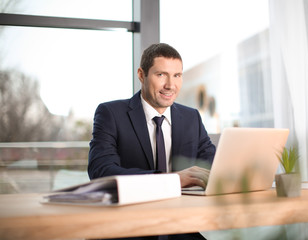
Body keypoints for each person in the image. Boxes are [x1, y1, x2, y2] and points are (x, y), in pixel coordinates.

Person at [88, 43, 216, 240]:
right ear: (141, 75)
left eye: (177, 75)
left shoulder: (191, 118)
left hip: (179, 229)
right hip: (128, 230)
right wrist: (172, 180)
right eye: (161, 75)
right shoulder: (111, 114)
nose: (170, 85)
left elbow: (212, 162)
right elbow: (101, 172)